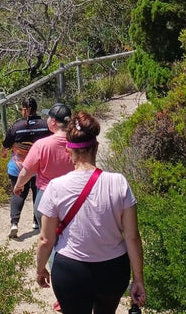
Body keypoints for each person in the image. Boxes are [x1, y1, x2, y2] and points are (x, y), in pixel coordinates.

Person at [35, 111, 146, 314]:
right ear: (96, 147)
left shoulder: (56, 187)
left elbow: (45, 239)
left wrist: (41, 268)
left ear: (68, 150)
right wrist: (138, 279)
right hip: (113, 270)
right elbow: (132, 237)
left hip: (70, 270)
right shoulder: (118, 182)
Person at [13, 102, 74, 227]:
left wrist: (19, 185)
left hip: (47, 196)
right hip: (73, 194)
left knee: (49, 240)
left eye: (48, 117)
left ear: (53, 122)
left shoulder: (42, 145)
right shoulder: (78, 143)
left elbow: (26, 172)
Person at [1, 97, 51, 238]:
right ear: (36, 108)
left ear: (24, 110)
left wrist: (4, 153)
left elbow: (5, 145)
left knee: (19, 193)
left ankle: (14, 223)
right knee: (37, 193)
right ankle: (36, 221)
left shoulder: (16, 126)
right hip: (38, 167)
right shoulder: (45, 125)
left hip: (18, 167)